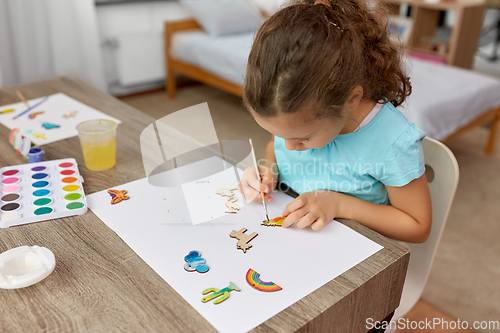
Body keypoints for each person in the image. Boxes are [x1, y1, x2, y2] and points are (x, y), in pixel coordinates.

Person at [239, 0, 432, 243]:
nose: (289, 146)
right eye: (280, 134)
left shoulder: (392, 142)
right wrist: (267, 173)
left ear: (351, 99)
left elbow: (418, 226)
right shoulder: (296, 121)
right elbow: (276, 151)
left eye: (303, 138)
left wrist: (338, 204)